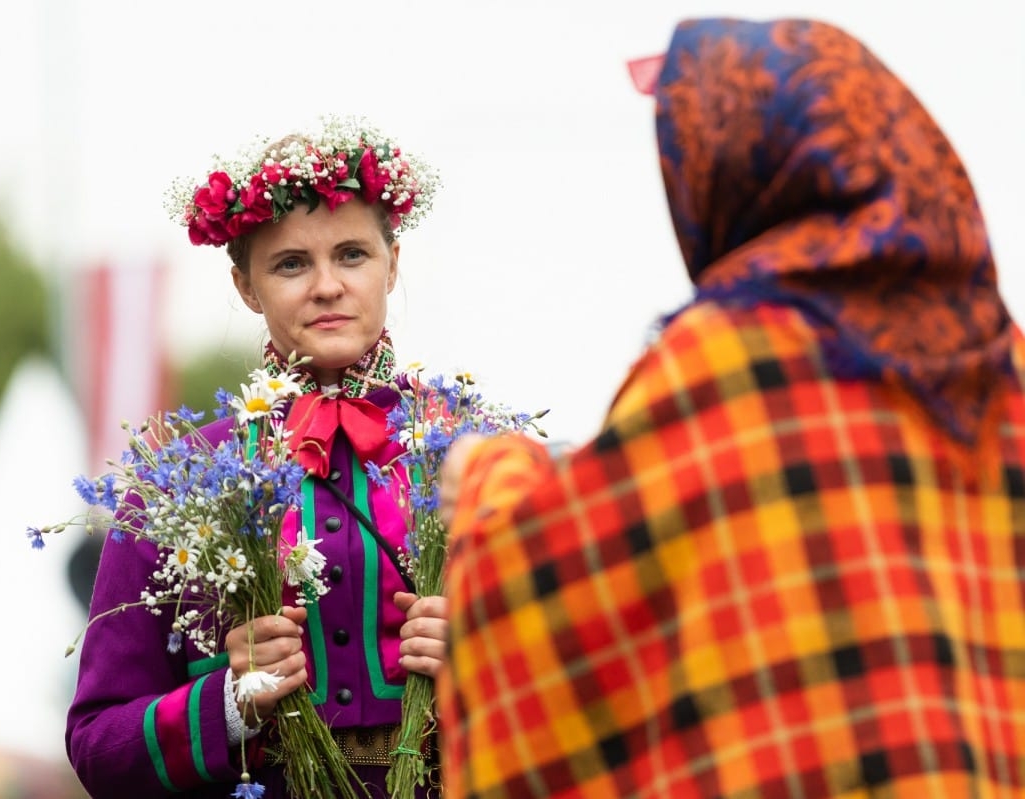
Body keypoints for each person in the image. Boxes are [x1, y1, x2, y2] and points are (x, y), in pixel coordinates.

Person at [436, 17, 1025, 799]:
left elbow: (547, 584)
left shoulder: (731, 359)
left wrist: (487, 470)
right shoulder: (1002, 363)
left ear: (740, 166)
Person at [67, 117, 447, 798]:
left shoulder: (477, 460)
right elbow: (97, 746)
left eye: (353, 254)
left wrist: (495, 662)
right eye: (291, 263)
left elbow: (610, 693)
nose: (327, 285)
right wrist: (226, 704)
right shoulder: (177, 484)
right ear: (246, 285)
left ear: (394, 263)